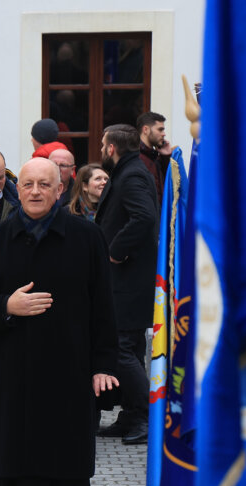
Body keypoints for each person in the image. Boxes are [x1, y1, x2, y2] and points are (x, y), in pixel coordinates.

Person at [0, 158, 118, 486]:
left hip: (70, 366)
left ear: (59, 189)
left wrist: (104, 363)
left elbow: (104, 305)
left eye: (43, 185)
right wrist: (6, 306)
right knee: (20, 454)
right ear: (20, 189)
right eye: (28, 184)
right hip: (15, 367)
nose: (34, 191)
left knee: (68, 456)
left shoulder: (86, 236)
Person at [94, 124, 158, 446]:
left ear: (112, 148)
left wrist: (116, 251)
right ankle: (132, 415)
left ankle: (149, 415)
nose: (101, 150)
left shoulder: (131, 175)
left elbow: (144, 217)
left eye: (103, 145)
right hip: (127, 282)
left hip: (128, 282)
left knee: (121, 348)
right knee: (129, 347)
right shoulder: (131, 171)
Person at [137, 111, 172, 205]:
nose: (164, 134)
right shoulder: (135, 157)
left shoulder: (154, 157)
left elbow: (168, 185)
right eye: (160, 130)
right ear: (146, 130)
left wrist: (166, 156)